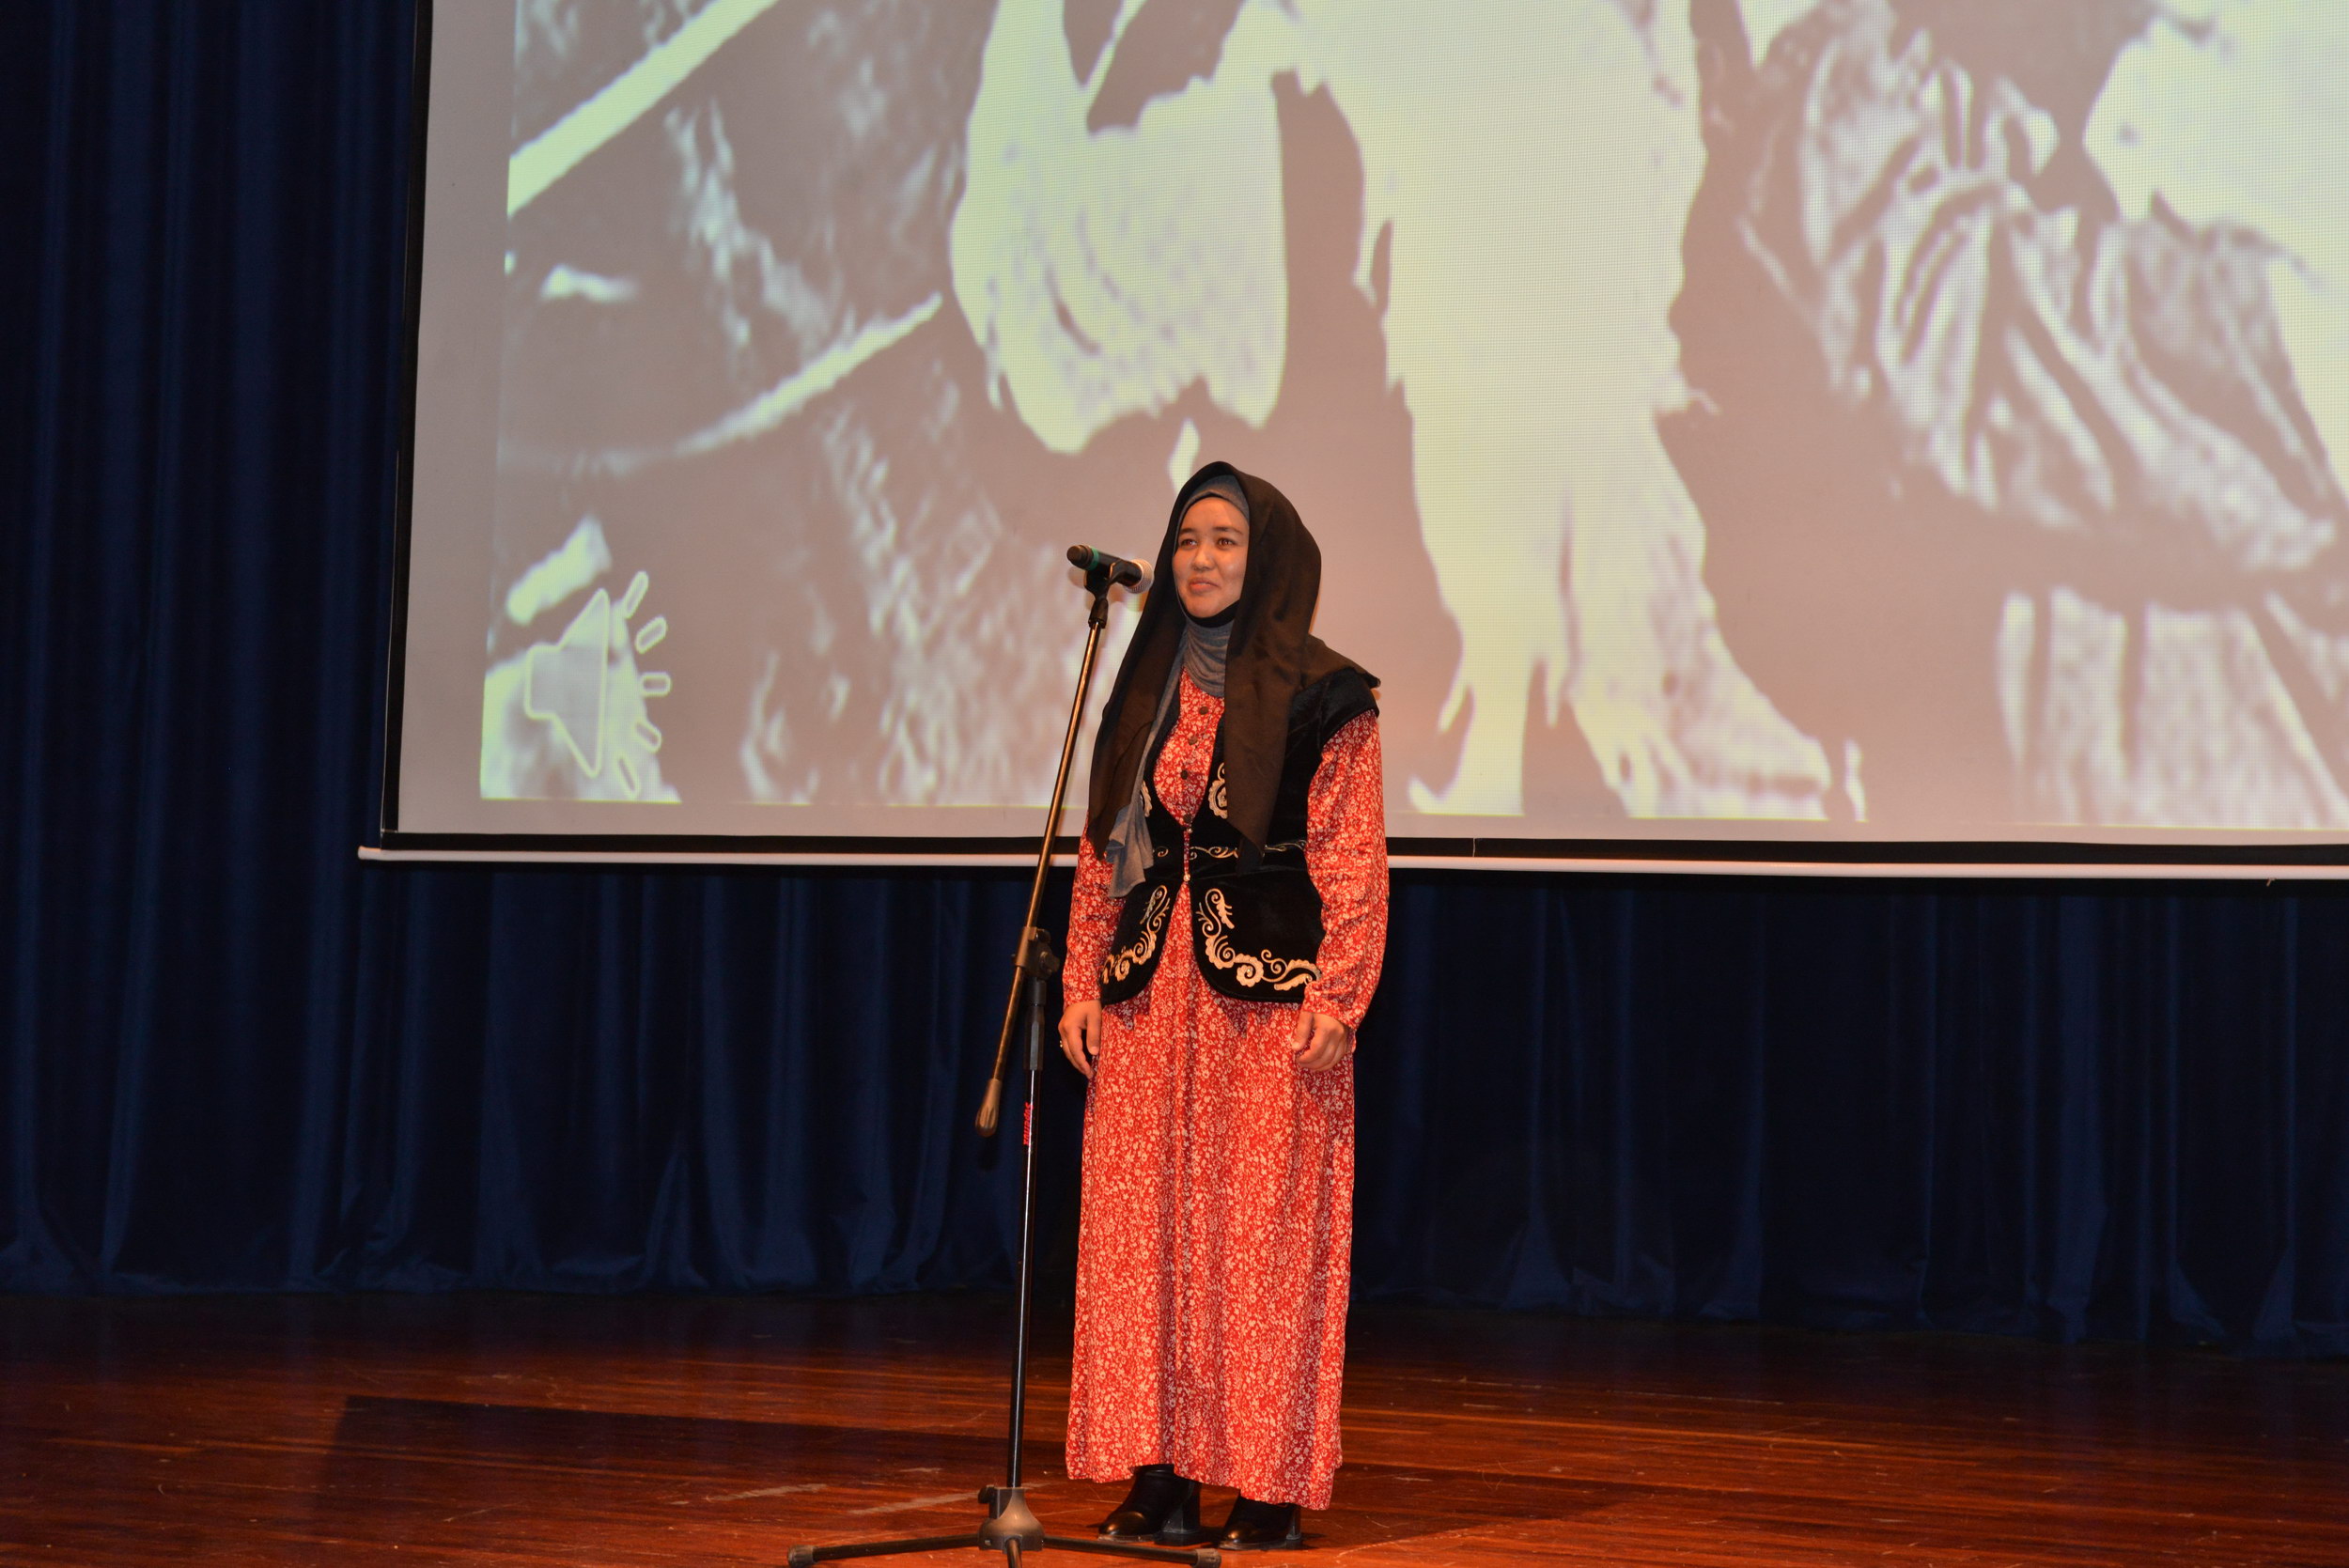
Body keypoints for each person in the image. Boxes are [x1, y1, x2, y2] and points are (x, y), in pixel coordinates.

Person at [1057, 461, 1388, 1551]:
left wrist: (1341, 994)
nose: (1198, 559)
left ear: (1269, 558)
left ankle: (1265, 1486)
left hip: (1268, 1010)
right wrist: (1080, 980)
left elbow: (1351, 856)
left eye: (1224, 540)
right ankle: (1157, 1480)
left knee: (1259, 1250)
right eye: (1186, 539)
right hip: (1148, 1007)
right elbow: (1103, 849)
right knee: (1141, 1243)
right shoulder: (1143, 684)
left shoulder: (1324, 694)